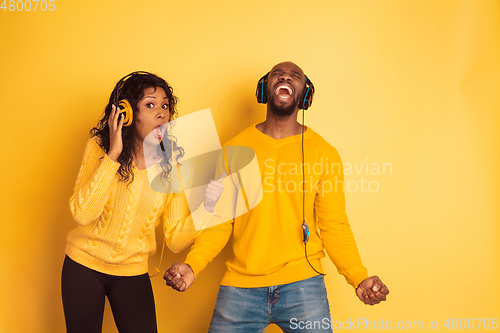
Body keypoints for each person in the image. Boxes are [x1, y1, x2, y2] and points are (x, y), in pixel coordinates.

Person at [164, 62, 389, 332]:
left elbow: (334, 225)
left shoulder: (324, 153)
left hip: (304, 286)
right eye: (277, 75)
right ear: (264, 89)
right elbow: (221, 222)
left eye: (295, 76)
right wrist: (192, 266)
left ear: (305, 95)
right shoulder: (233, 149)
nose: (285, 77)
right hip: (240, 288)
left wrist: (358, 277)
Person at [61, 71, 225, 333]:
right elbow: (82, 214)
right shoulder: (98, 148)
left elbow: (175, 240)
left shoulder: (173, 166)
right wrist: (112, 156)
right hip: (84, 266)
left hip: (132, 272)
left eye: (165, 106)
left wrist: (207, 208)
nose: (161, 113)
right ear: (126, 113)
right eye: (150, 105)